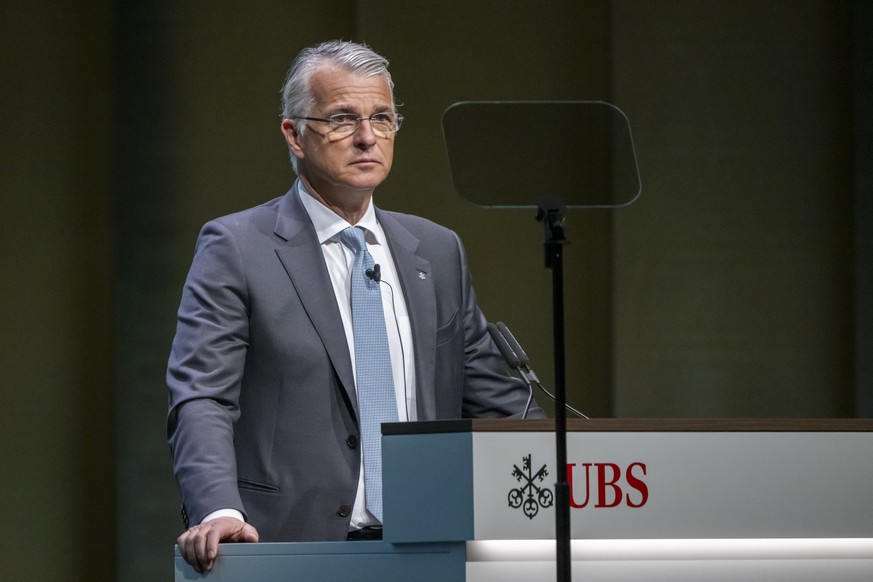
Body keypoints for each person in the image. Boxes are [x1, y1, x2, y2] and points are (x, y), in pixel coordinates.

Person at [167, 39, 543, 574]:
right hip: (288, 546)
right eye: (342, 119)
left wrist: (567, 480)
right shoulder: (237, 248)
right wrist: (219, 507)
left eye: (382, 118)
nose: (367, 137)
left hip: (429, 549)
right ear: (293, 134)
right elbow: (202, 394)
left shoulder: (436, 251)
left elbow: (500, 404)